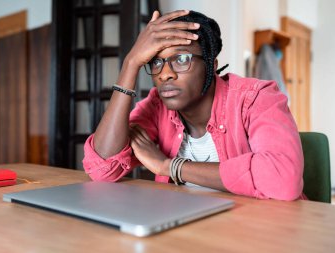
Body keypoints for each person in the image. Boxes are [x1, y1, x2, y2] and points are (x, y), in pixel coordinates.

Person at [82, 10, 304, 200]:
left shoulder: (257, 99)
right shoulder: (156, 106)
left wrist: (169, 166)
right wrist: (130, 64)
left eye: (181, 59)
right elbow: (102, 169)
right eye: (156, 62)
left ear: (211, 65)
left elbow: (283, 181)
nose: (165, 74)